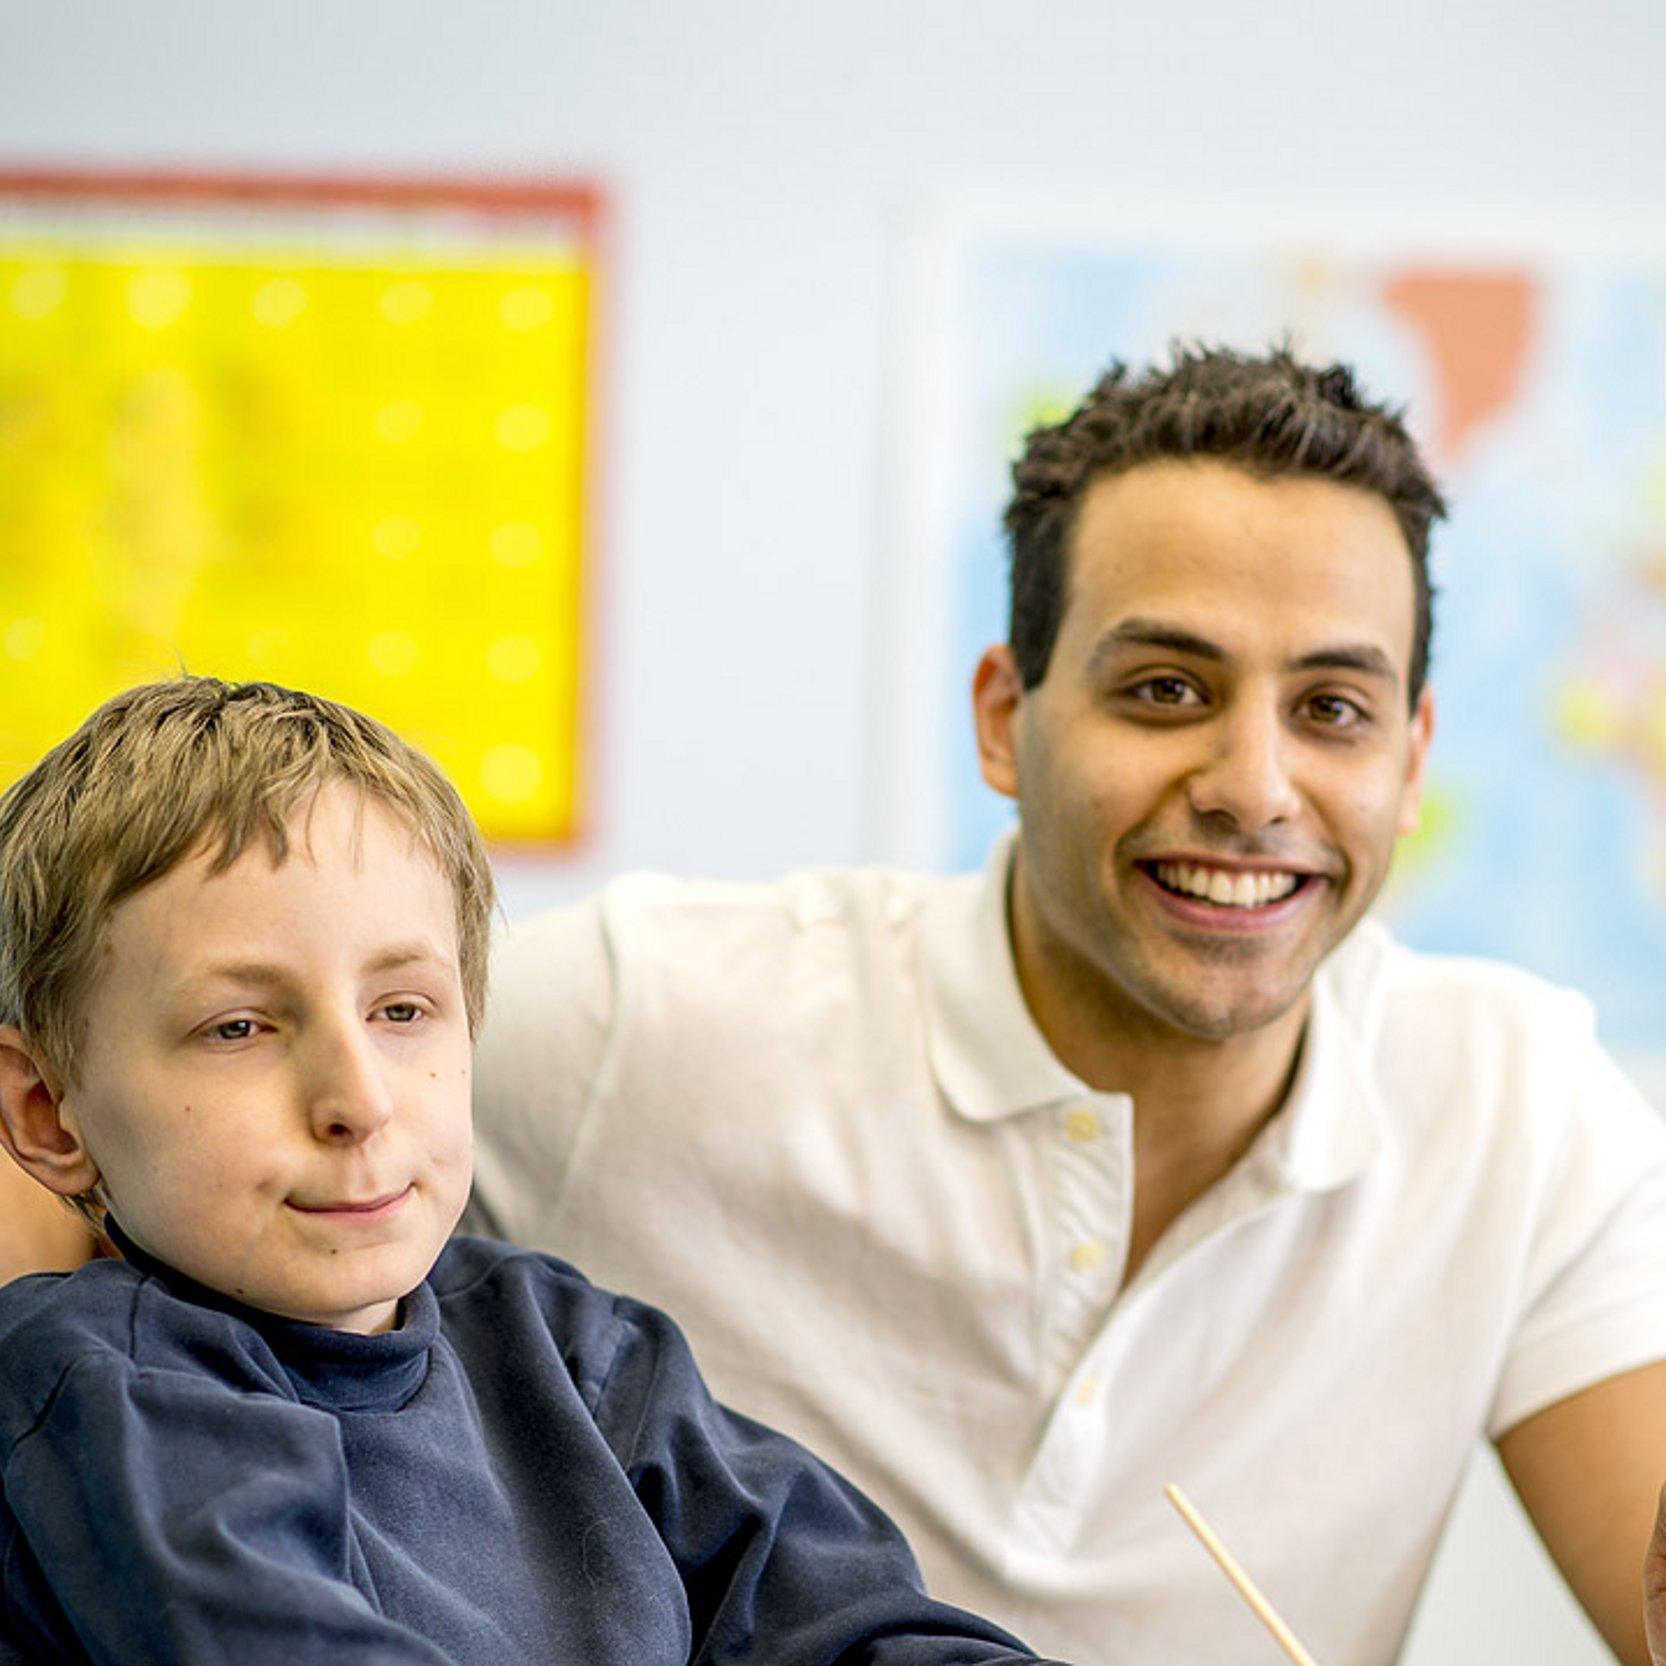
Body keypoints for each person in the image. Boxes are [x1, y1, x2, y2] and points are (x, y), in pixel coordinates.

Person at [459, 348, 1666, 1664]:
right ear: (1002, 717)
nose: (1253, 786)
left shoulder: (1522, 1110)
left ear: (1410, 757)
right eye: (1165, 689)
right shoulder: (630, 1022)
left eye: (1330, 708)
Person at [0, 678, 1061, 1666]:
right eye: (238, 1026)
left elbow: (856, 1620)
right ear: (48, 1112)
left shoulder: (567, 1347)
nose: (359, 1099)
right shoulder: (92, 1391)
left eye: (402, 1009)